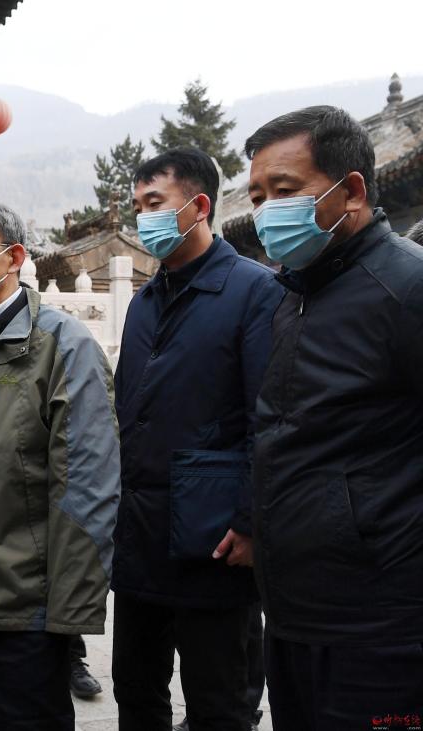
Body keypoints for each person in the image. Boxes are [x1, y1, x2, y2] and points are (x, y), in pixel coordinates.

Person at [245, 106, 423, 726]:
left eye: (285, 190)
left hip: (382, 627)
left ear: (351, 191)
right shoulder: (294, 294)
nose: (268, 211)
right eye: (258, 197)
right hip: (295, 613)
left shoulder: (406, 289)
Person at [0, 200, 120, 730]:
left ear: (12, 257)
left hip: (24, 611)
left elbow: (87, 485)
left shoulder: (61, 345)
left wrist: (68, 614)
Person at [111, 148, 282, 731]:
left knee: (219, 701)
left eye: (154, 202)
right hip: (140, 534)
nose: (143, 218)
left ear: (199, 205)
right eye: (137, 206)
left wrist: (250, 521)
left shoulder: (255, 291)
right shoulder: (143, 301)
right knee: (136, 691)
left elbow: (269, 417)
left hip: (215, 539)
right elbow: (128, 410)